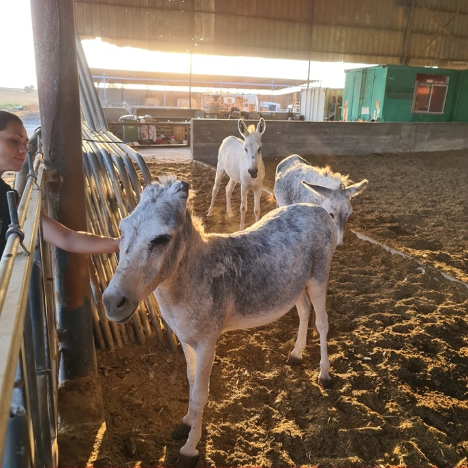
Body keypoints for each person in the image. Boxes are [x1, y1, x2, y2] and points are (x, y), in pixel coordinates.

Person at [0, 110, 120, 255]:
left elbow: (66, 238)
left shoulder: (8, 197)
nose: (24, 150)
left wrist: (118, 243)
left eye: (25, 143)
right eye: (14, 141)